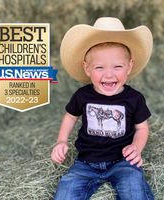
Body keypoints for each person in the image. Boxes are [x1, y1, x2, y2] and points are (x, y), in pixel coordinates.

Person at [51, 17, 154, 200]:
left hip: (123, 162)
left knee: (134, 188)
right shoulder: (82, 96)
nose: (108, 74)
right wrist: (61, 141)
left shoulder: (134, 98)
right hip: (85, 163)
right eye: (99, 67)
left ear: (129, 66)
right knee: (66, 191)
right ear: (87, 68)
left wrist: (136, 148)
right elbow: (70, 117)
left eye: (117, 67)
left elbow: (142, 128)